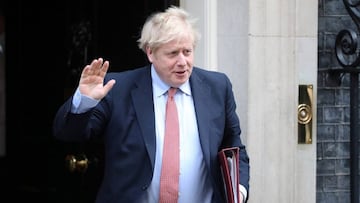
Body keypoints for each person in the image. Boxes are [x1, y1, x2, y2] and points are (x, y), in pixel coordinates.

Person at [53, 6, 250, 203]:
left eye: (187, 52)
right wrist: (85, 101)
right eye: (172, 53)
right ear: (150, 53)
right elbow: (69, 133)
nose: (183, 62)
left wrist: (238, 191)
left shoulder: (217, 87)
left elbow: (233, 146)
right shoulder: (118, 89)